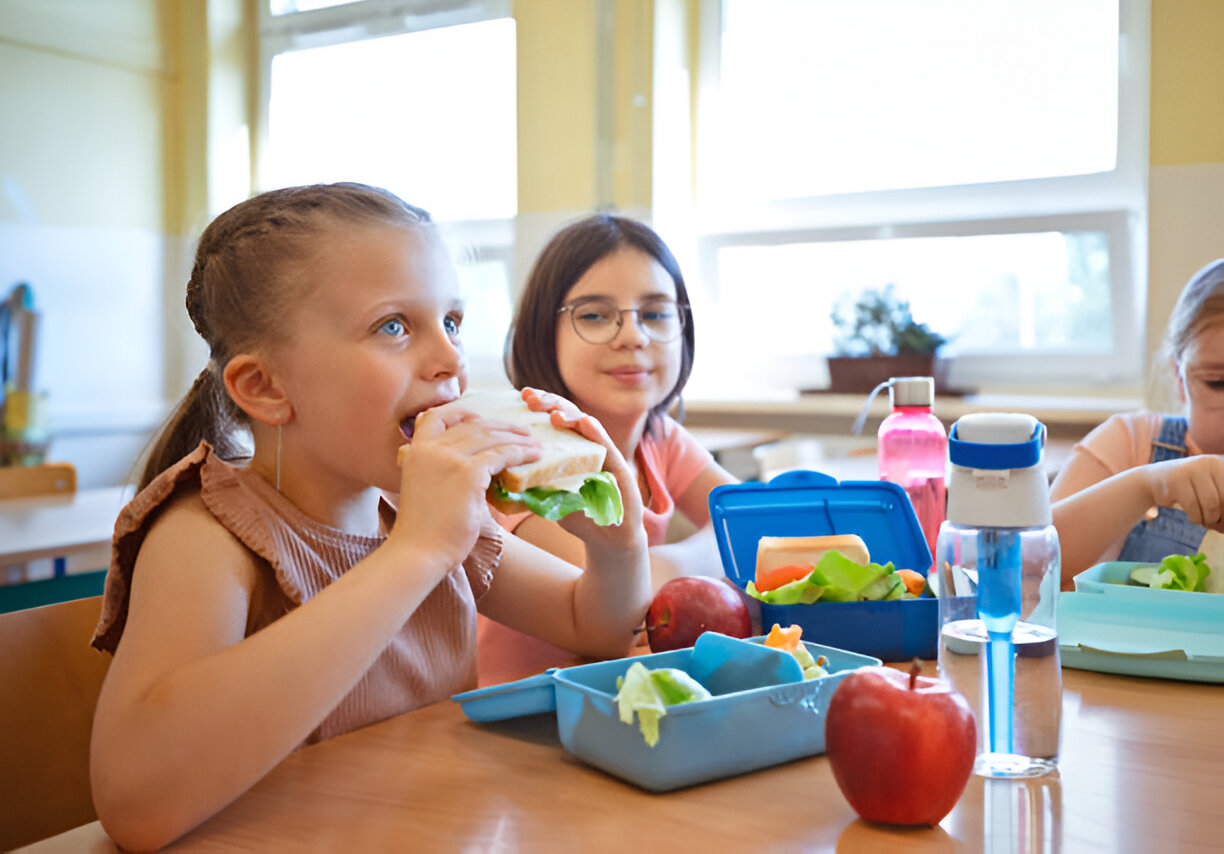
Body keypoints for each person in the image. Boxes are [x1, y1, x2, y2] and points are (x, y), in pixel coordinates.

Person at [87, 184, 650, 851]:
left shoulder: (426, 509)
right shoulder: (207, 534)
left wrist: (618, 544)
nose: (449, 360)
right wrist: (414, 554)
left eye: (453, 322)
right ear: (265, 388)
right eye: (393, 327)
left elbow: (599, 625)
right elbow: (137, 804)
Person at [476, 214, 739, 684]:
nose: (633, 336)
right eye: (594, 315)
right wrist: (691, 558)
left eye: (656, 314)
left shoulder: (661, 438)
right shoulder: (528, 455)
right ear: (542, 332)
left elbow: (753, 524)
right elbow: (628, 602)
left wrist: (669, 564)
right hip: (524, 716)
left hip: (616, 692)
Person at [1050, 259, 1224, 585]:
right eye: (1218, 383)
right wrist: (1147, 485)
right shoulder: (1133, 443)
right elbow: (1032, 564)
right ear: (1179, 376)